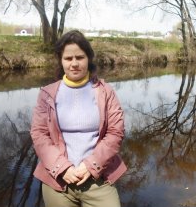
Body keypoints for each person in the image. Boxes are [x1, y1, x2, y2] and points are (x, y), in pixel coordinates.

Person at [30, 30, 127, 207]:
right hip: (58, 181)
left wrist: (92, 165)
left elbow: (116, 132)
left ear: (88, 58)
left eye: (79, 57)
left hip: (98, 180)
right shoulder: (47, 94)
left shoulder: (106, 92)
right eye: (68, 58)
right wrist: (62, 167)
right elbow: (39, 135)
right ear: (61, 61)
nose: (74, 63)